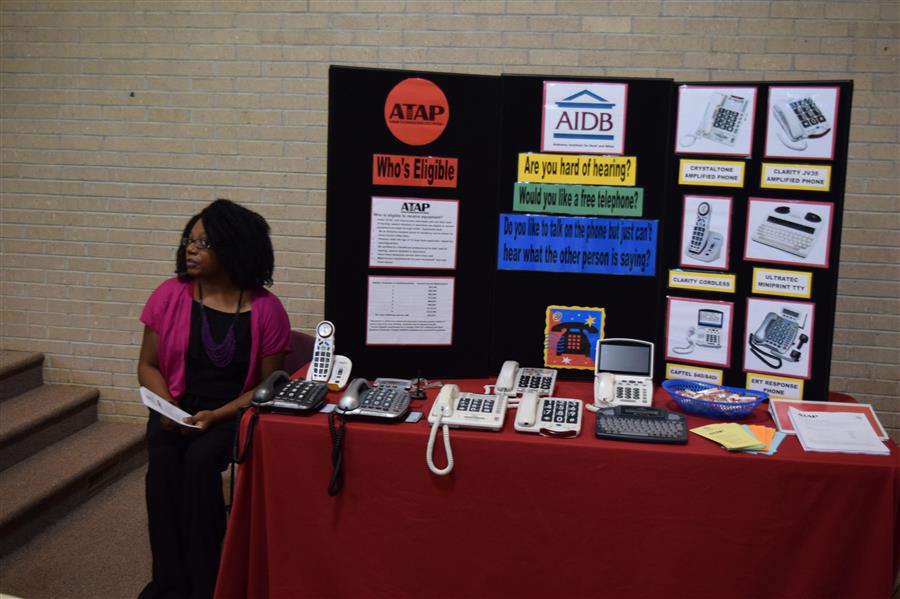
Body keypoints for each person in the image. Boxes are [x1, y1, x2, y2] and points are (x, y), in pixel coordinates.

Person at [137, 199, 292, 599]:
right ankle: (169, 584)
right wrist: (169, 408)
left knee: (201, 464)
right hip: (175, 404)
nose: (191, 248)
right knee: (164, 462)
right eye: (190, 239)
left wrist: (217, 415)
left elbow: (268, 386)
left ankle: (209, 584)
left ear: (235, 248)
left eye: (204, 243)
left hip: (233, 412)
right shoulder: (169, 295)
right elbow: (148, 366)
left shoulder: (266, 309)